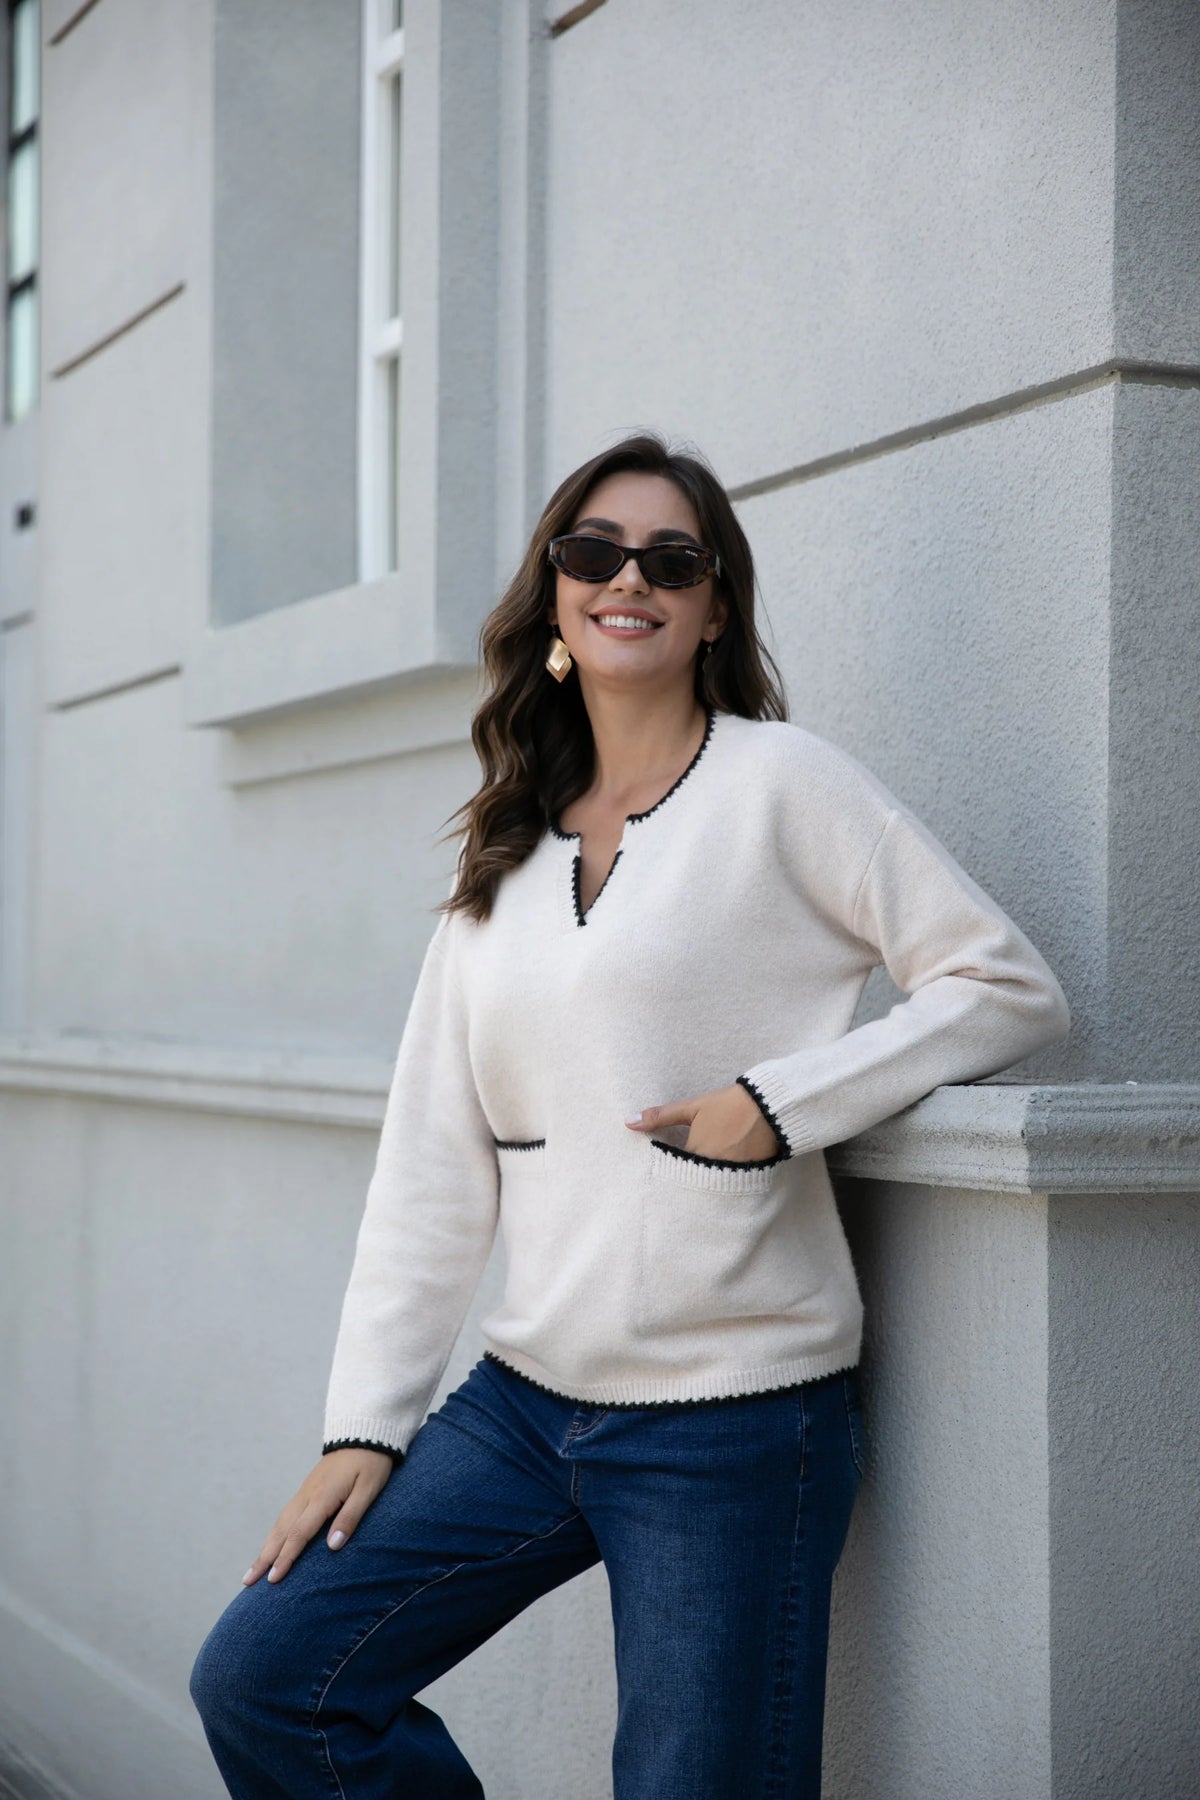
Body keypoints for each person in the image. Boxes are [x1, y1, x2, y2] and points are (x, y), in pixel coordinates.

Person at [189, 430, 1071, 1798]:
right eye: (594, 551)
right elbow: (431, 1165)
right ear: (553, 592)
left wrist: (783, 1103)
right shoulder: (506, 843)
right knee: (266, 1679)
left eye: (673, 559)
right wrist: (367, 1423)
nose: (629, 580)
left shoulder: (784, 783)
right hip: (523, 1406)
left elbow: (1005, 986)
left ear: (716, 607)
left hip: (733, 1417)